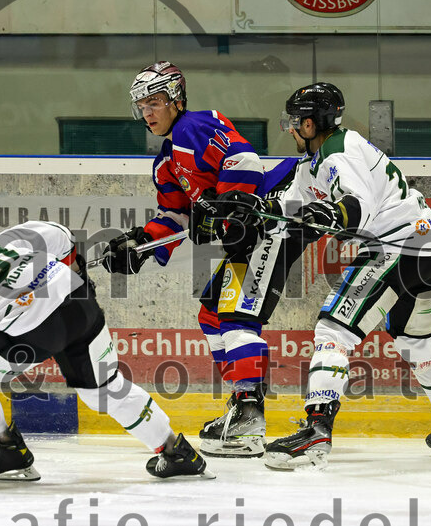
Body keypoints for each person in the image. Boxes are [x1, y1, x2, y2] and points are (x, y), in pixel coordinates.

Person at [229, 82, 431, 469]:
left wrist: (334, 215)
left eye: (295, 121)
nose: (290, 128)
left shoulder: (340, 151)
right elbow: (290, 204)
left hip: (395, 246)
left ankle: (317, 429)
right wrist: (253, 208)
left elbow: (356, 205)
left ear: (312, 123)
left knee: (334, 332)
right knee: (416, 341)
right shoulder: (316, 160)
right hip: (425, 246)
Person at [0, 209, 214, 484]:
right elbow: (58, 235)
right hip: (78, 299)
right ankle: (178, 453)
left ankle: (7, 453)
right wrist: (74, 268)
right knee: (103, 389)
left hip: (36, 326)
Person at [101, 61, 307, 459]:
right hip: (255, 230)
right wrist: (140, 245)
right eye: (141, 105)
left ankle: (249, 415)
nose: (148, 112)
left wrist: (232, 206)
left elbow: (243, 159)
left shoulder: (193, 126)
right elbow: (176, 217)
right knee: (212, 314)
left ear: (176, 100)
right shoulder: (165, 163)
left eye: (155, 102)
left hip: (273, 214)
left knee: (234, 317)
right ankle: (242, 404)